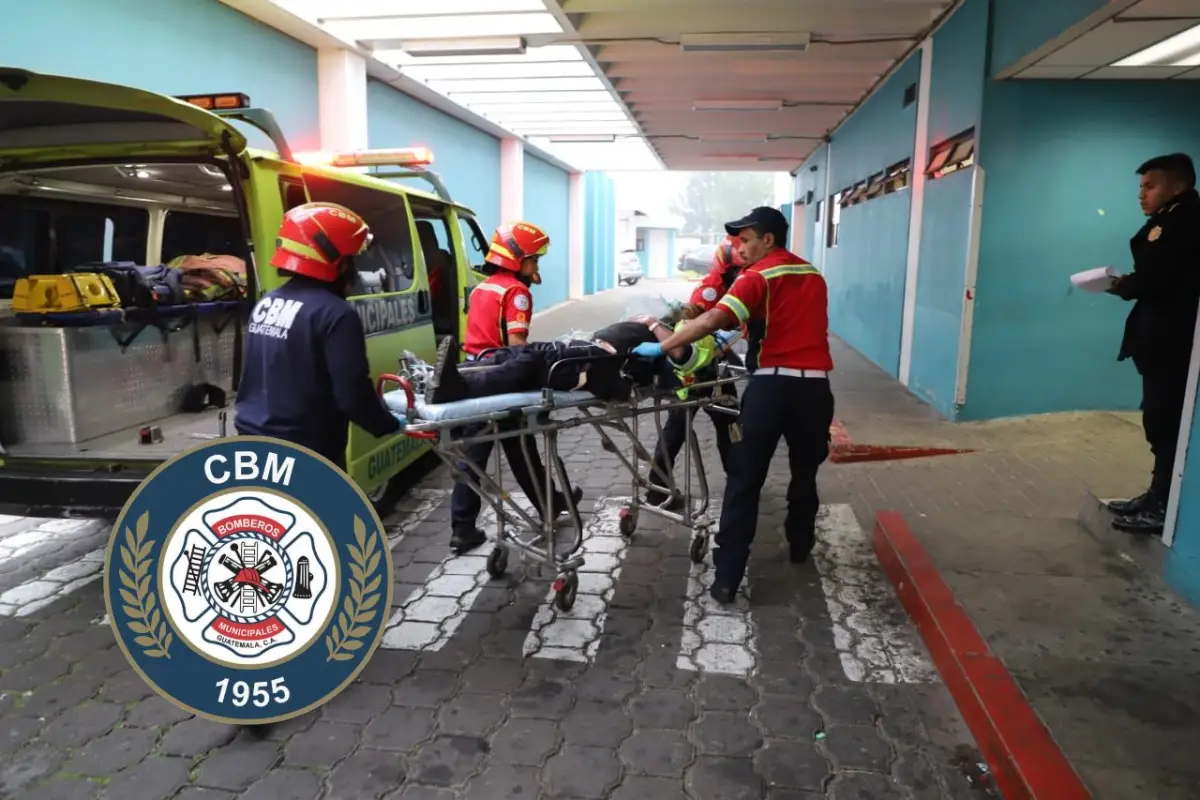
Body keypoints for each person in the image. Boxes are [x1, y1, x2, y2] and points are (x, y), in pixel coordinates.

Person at [631, 206, 834, 605]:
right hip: (815, 391)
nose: (739, 247)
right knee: (805, 472)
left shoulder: (757, 277)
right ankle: (799, 544)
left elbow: (711, 321)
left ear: (768, 240)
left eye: (746, 239)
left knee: (744, 481)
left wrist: (663, 344)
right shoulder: (813, 274)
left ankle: (726, 580)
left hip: (772, 388)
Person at [234, 202, 401, 469]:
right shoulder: (336, 314)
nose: (356, 269)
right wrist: (388, 424)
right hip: (306, 451)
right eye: (352, 259)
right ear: (336, 260)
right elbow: (351, 394)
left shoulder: (267, 302)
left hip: (252, 440)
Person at [448, 222, 574, 554]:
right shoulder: (516, 293)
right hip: (500, 376)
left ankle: (464, 526)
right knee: (514, 445)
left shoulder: (482, 287)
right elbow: (517, 345)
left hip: (476, 370)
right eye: (533, 259)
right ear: (516, 258)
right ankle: (548, 503)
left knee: (480, 451)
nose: (536, 266)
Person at [1105, 153, 1200, 536]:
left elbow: (1158, 279)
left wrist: (1125, 285)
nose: (1141, 195)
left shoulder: (1182, 222)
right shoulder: (1174, 219)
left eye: (1150, 186)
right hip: (1164, 341)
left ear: (1178, 186)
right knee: (1158, 421)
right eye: (1141, 187)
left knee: (1166, 421)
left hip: (1174, 342)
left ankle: (1163, 503)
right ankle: (1156, 493)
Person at [424, 314, 685, 405]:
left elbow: (678, 351)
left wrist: (652, 323)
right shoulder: (649, 331)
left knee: (527, 363)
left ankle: (455, 388)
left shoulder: (664, 339)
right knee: (514, 354)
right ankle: (443, 374)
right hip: (582, 353)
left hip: (592, 366)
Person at [644, 309, 743, 509]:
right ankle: (740, 483)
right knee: (729, 429)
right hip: (714, 376)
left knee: (675, 430)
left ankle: (657, 489)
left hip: (687, 382)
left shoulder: (675, 328)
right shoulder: (712, 323)